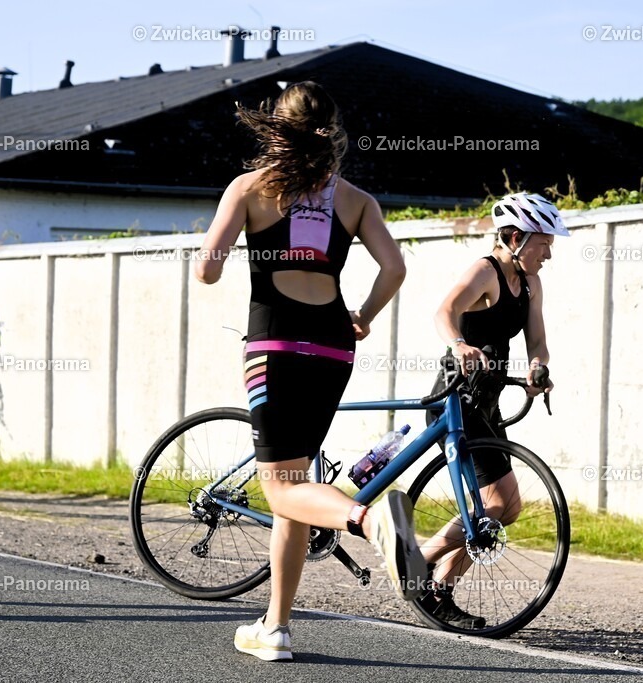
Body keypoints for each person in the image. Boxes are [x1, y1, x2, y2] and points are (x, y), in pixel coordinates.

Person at [194, 81, 425, 661]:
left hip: (274, 344)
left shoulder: (249, 189)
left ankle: (369, 523)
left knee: (281, 486)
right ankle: (275, 626)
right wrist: (363, 316)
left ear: (277, 126)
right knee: (295, 487)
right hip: (331, 347)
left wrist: (226, 237)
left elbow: (208, 272)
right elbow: (394, 268)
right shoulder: (355, 199)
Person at [423, 192, 564, 627]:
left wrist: (538, 368)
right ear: (516, 237)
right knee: (495, 502)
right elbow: (444, 311)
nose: (550, 252)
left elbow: (536, 343)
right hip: (456, 398)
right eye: (544, 242)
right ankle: (416, 558)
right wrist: (459, 344)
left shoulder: (531, 284)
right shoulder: (484, 272)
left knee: (508, 508)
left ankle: (435, 588)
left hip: (487, 400)